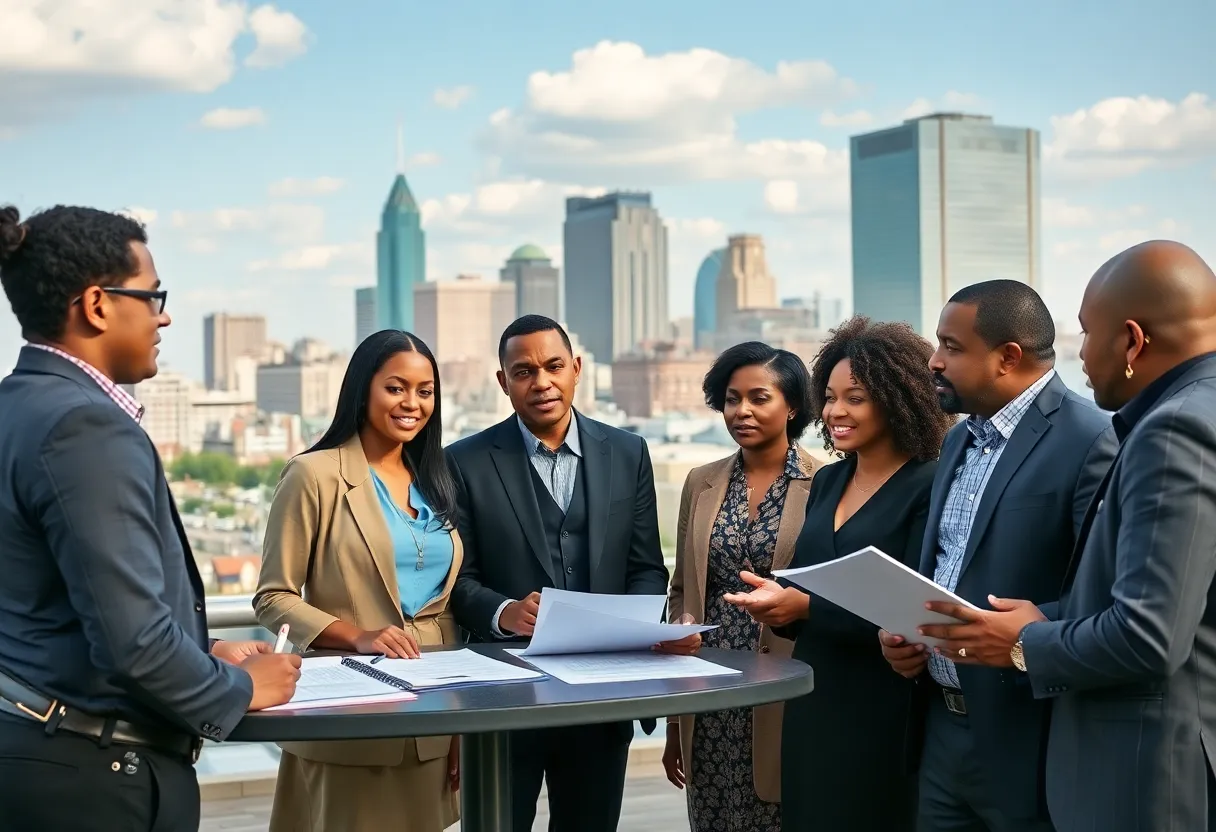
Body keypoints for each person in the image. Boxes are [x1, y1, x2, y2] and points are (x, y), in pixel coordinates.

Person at [0, 204, 301, 832]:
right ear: (98, 304)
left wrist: (202, 650)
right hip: (94, 782)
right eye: (153, 294)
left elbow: (51, 604)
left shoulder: (19, 406)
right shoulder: (84, 427)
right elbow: (131, 644)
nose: (164, 315)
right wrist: (242, 689)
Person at [920, 241, 1216, 831]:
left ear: (1132, 341)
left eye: (1086, 334)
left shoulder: (1173, 429)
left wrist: (1025, 640)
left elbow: (1148, 636)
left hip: (1139, 774)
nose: (1078, 357)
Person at [879, 280, 1117, 832]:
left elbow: (1105, 594)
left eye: (951, 347)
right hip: (941, 729)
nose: (933, 362)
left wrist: (1021, 634)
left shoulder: (1093, 439)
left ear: (1008, 357)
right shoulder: (959, 439)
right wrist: (908, 633)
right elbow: (946, 563)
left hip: (1030, 738)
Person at [447, 314, 690, 832]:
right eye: (524, 371)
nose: (542, 382)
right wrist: (504, 611)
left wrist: (640, 631)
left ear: (577, 369)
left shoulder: (628, 452)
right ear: (503, 382)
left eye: (554, 366)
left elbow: (646, 567)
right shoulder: (463, 462)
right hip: (503, 697)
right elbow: (457, 582)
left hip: (602, 698)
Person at [723, 316, 954, 830]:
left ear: (898, 398)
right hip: (815, 694)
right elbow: (810, 581)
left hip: (886, 700)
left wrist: (803, 604)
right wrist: (778, 601)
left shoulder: (931, 483)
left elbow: (914, 600)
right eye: (829, 397)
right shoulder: (828, 480)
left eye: (856, 398)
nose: (835, 412)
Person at [255, 330, 462, 832]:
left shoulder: (438, 478)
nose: (412, 403)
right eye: (396, 388)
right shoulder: (313, 475)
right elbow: (272, 597)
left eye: (425, 391)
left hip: (435, 714)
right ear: (362, 389)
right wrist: (358, 636)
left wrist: (461, 721)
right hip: (352, 714)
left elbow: (444, 608)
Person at [662, 341, 819, 831]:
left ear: (792, 406)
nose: (742, 411)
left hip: (784, 691)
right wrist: (673, 718)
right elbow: (683, 590)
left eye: (759, 397)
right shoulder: (701, 482)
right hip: (707, 690)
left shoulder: (827, 483)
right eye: (732, 399)